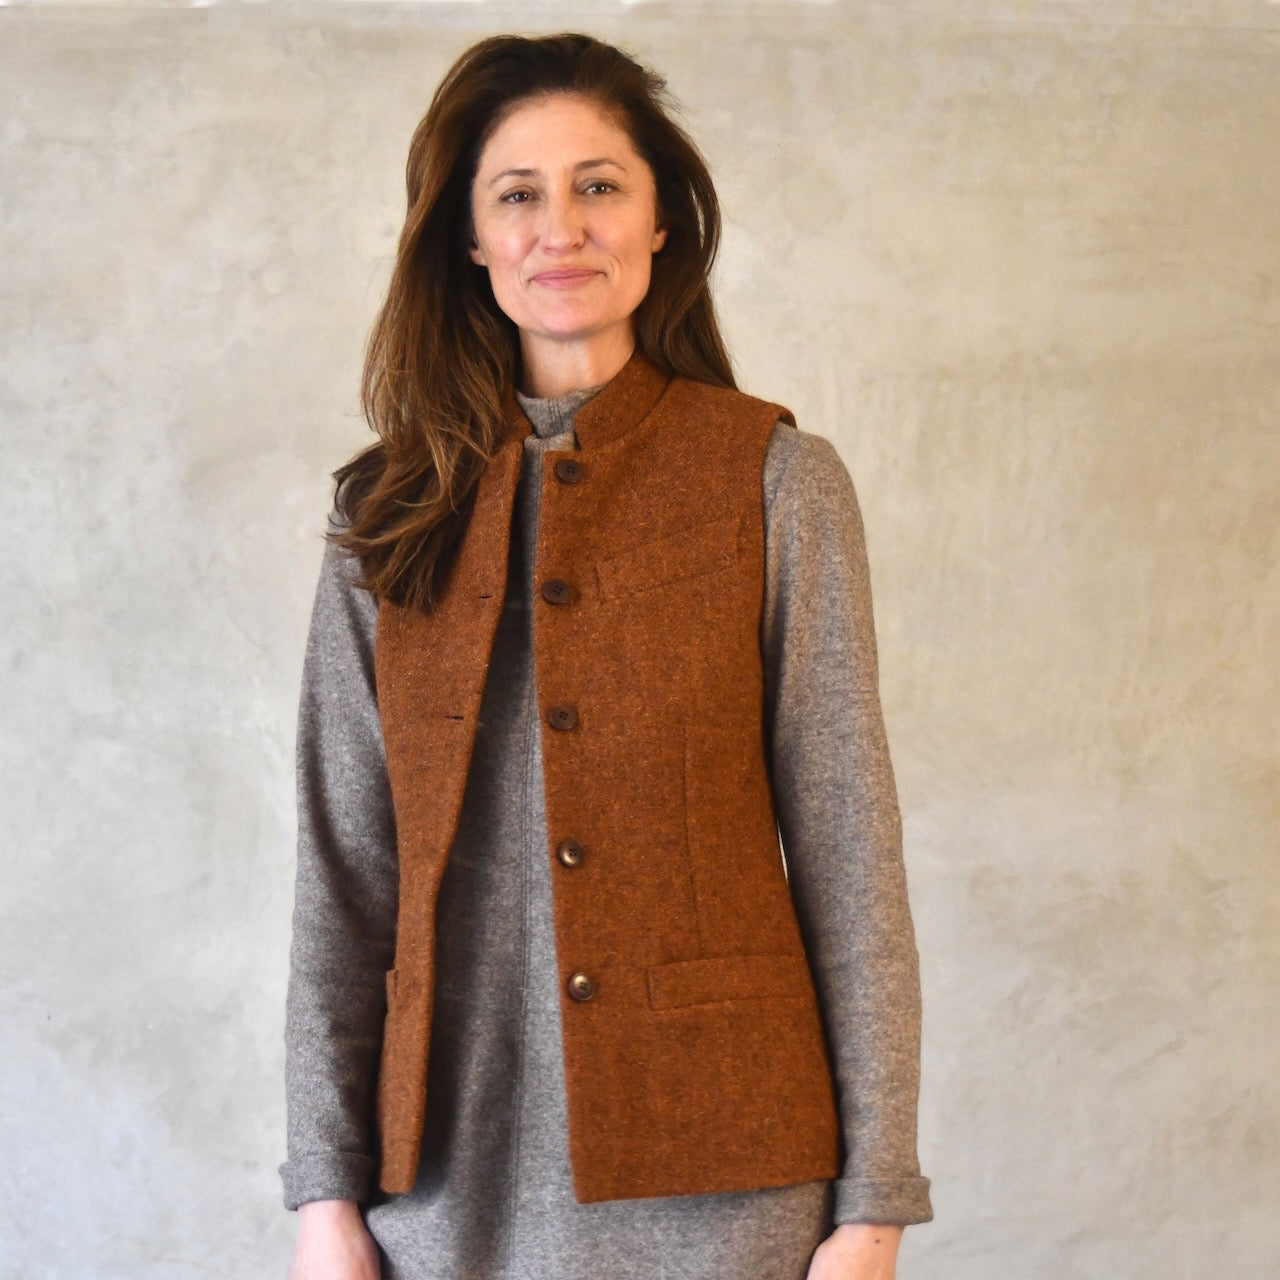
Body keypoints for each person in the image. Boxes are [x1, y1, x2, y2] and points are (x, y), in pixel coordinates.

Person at [280, 31, 932, 1280]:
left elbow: (850, 853)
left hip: (729, 1176)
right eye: (516, 195)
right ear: (469, 239)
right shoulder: (386, 511)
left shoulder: (775, 482)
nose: (559, 228)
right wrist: (324, 1195)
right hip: (442, 1182)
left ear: (660, 221)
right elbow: (343, 868)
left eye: (597, 185)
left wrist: (873, 1206)